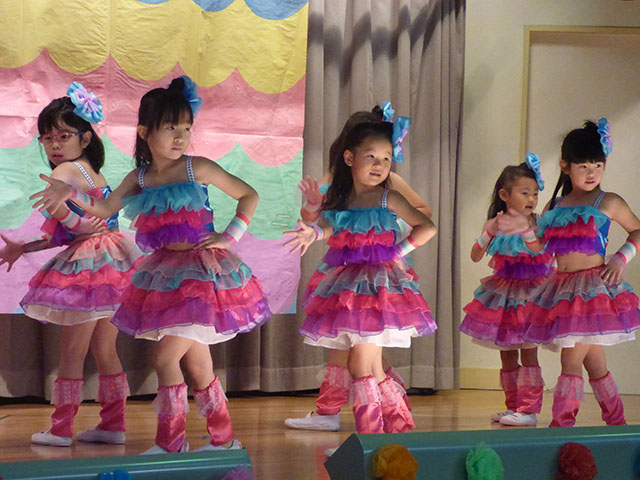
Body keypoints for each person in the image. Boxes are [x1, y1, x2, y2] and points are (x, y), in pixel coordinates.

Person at [30, 76, 271, 452]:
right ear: (144, 132)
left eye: (186, 128)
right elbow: (104, 209)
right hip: (166, 275)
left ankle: (172, 442)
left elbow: (248, 194)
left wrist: (229, 236)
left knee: (165, 356)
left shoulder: (197, 167)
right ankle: (224, 439)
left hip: (202, 274)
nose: (180, 136)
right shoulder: (140, 177)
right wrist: (70, 193)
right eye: (170, 127)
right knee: (198, 364)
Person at [0, 82, 144, 447]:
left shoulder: (64, 172)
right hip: (115, 260)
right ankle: (113, 424)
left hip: (89, 267)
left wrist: (75, 221)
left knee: (72, 351)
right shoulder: (91, 172)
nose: (54, 144)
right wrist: (25, 247)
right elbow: (70, 231)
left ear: (85, 138)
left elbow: (73, 224)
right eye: (47, 138)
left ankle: (61, 429)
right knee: (105, 350)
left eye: (63, 136)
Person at [284, 119, 437, 443]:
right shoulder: (341, 198)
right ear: (349, 157)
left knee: (360, 365)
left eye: (386, 158)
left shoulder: (388, 198)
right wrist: (313, 229)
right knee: (371, 369)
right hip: (349, 286)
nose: (379, 165)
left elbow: (426, 226)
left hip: (380, 290)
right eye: (371, 157)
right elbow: (329, 227)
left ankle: (370, 440)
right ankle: (394, 429)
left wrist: (397, 250)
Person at [508, 119, 640, 427]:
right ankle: (617, 424)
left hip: (593, 291)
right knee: (595, 364)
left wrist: (620, 258)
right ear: (565, 166)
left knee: (570, 359)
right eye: (583, 166)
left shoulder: (608, 201)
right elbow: (541, 246)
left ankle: (561, 425)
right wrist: (525, 229)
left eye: (597, 165)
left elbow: (637, 230)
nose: (591, 173)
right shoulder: (555, 205)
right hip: (562, 291)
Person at [459, 155, 553, 427]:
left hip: (533, 295)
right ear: (504, 195)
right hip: (504, 295)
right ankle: (513, 406)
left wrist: (526, 231)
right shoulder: (496, 224)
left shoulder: (538, 223)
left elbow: (541, 251)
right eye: (525, 193)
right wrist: (487, 233)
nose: (531, 199)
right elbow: (475, 255)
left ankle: (529, 409)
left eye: (535, 193)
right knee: (507, 352)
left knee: (529, 352)